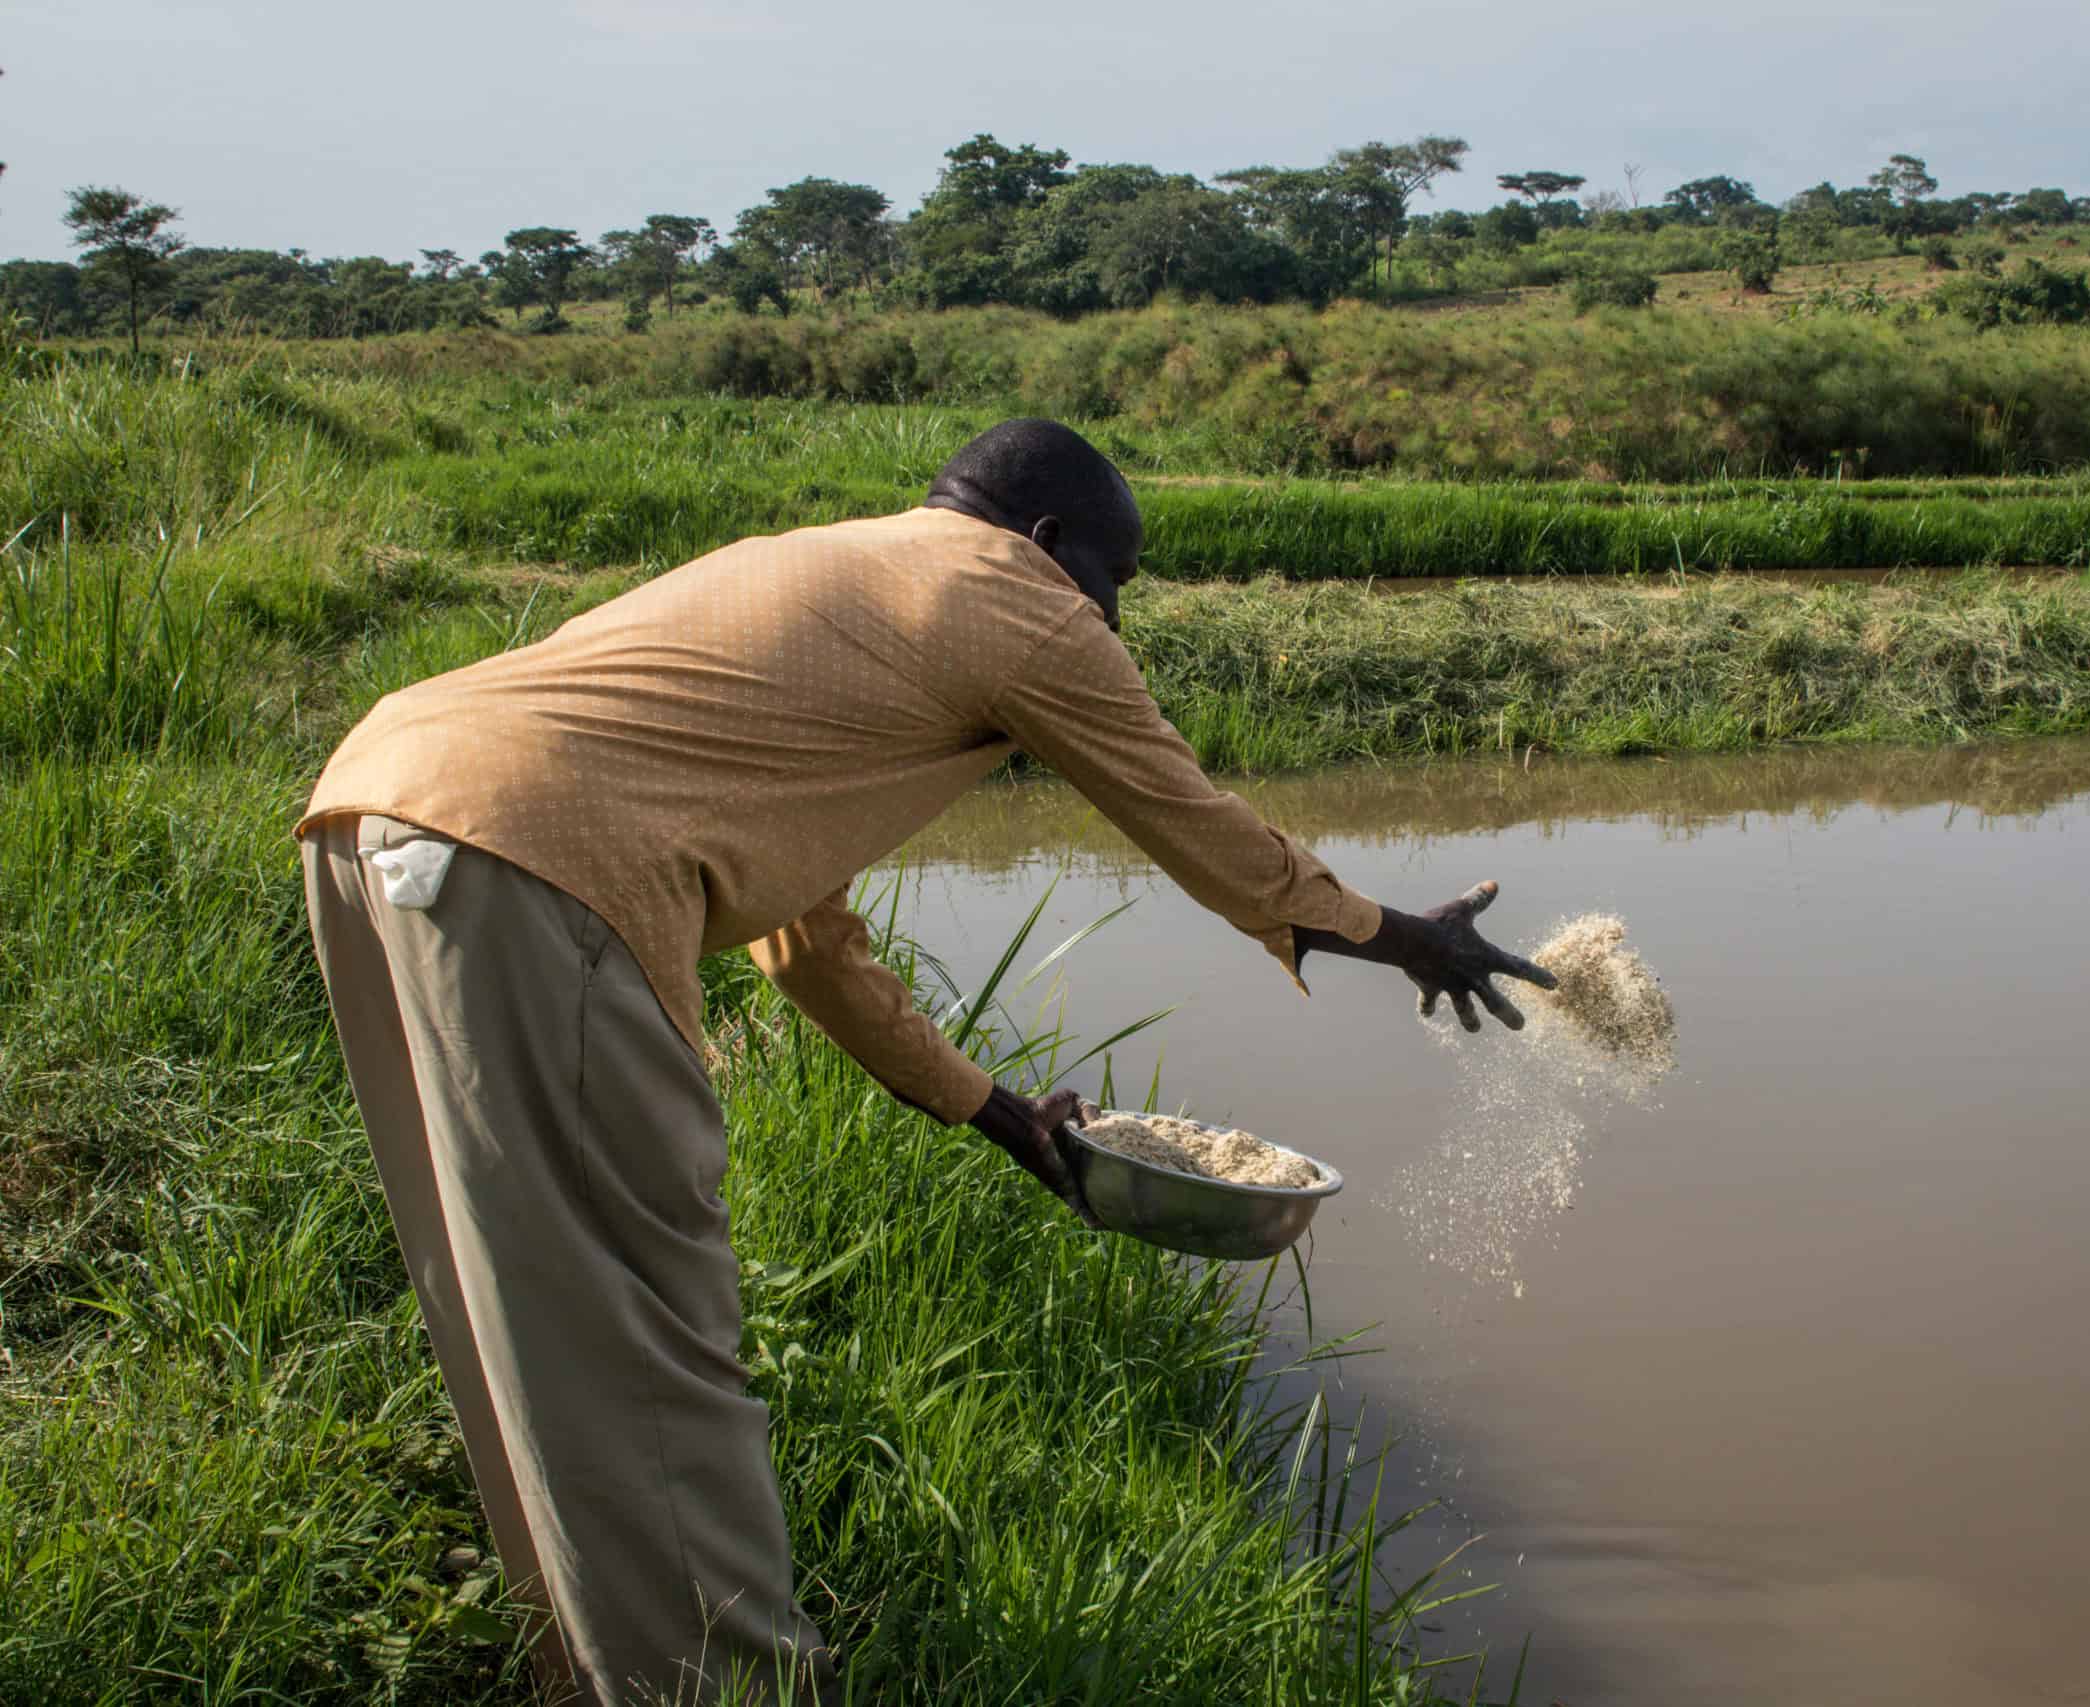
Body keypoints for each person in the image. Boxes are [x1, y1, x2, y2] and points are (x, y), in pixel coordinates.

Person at [295, 417, 1553, 1705]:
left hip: (375, 808)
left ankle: (583, 1665)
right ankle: (734, 1692)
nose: (1113, 622)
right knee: (650, 1330)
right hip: (541, 858)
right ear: (1049, 541)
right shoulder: (1017, 600)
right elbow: (1196, 824)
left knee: (518, 1295)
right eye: (1114, 581)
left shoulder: (840, 577)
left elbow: (810, 942)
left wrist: (999, 1115)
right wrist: (1405, 939)